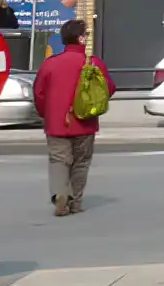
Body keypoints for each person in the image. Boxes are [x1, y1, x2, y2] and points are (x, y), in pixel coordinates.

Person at [32, 17, 110, 216]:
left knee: (59, 159)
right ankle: (75, 201)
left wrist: (46, 113)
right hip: (85, 122)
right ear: (81, 38)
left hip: (56, 122)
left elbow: (39, 92)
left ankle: (60, 194)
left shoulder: (50, 64)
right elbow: (108, 88)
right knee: (81, 162)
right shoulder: (93, 64)